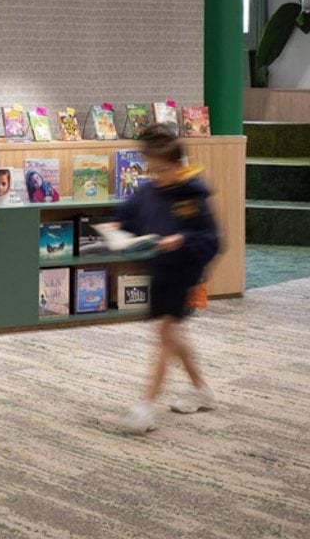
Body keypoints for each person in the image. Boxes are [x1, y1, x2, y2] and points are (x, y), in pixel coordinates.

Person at [117, 126, 220, 434]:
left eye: (161, 169)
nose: (155, 175)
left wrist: (179, 240)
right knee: (173, 334)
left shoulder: (193, 194)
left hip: (184, 270)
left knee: (165, 333)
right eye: (151, 168)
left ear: (178, 165)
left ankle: (146, 405)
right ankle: (202, 390)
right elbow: (128, 214)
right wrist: (115, 227)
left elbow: (209, 237)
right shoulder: (149, 189)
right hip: (160, 269)